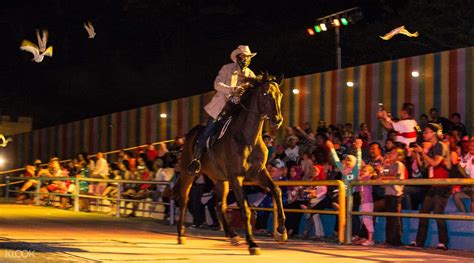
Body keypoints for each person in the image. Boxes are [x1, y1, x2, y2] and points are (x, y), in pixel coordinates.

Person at [188, 45, 257, 174]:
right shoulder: (227, 68)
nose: (246, 59)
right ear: (237, 57)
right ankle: (196, 159)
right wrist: (232, 90)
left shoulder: (251, 74)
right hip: (223, 106)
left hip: (239, 108)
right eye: (243, 56)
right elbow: (217, 84)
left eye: (248, 57)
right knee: (209, 129)